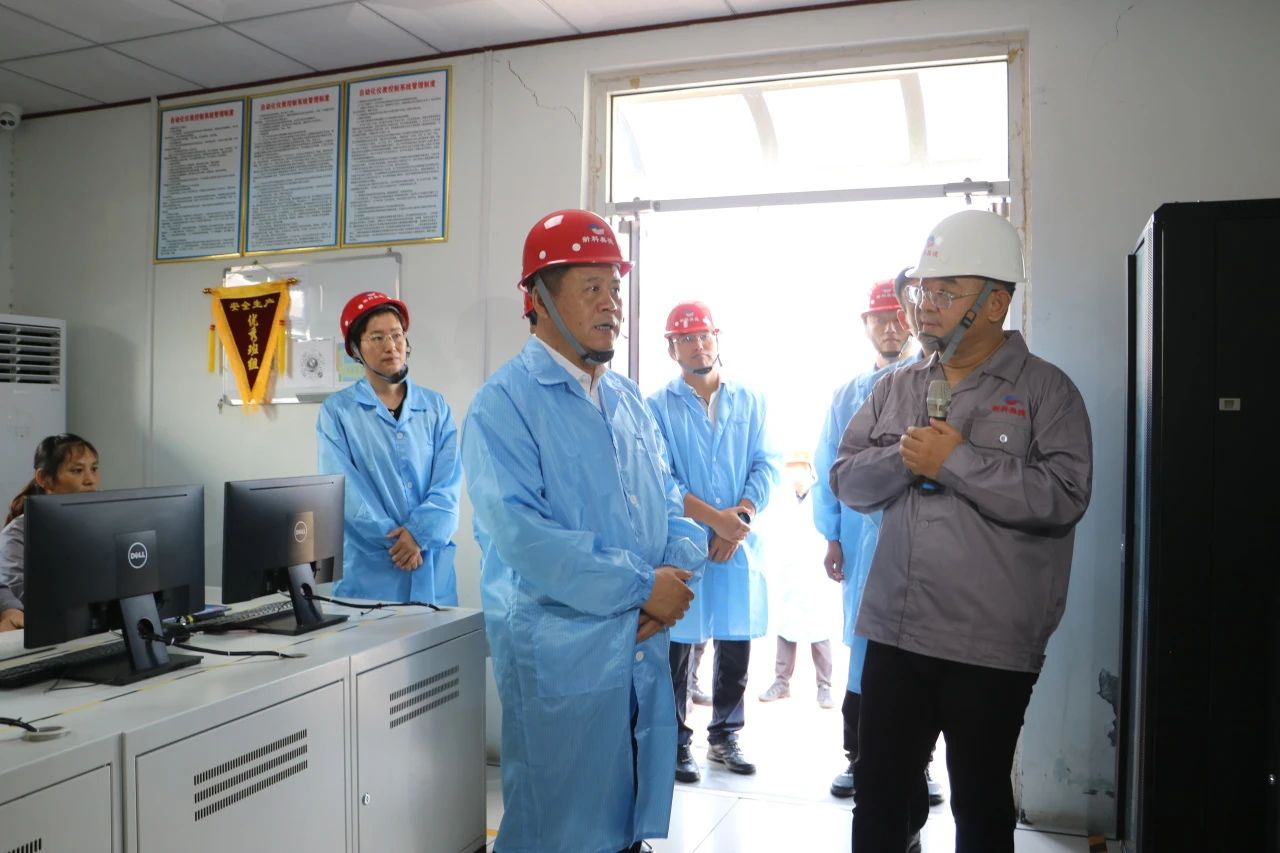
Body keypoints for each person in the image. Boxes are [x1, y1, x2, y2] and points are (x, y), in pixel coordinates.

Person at [831, 210, 1093, 853]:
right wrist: (906, 458)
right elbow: (846, 480)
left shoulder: (1047, 392)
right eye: (923, 289)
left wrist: (957, 462)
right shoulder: (896, 387)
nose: (925, 305)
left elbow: (1064, 496)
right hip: (896, 633)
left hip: (990, 647)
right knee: (881, 800)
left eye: (946, 292)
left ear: (996, 302)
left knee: (979, 803)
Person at [462, 209, 706, 853]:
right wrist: (642, 588)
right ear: (538, 299)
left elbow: (666, 500)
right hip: (562, 655)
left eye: (615, 288)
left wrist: (677, 573)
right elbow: (524, 537)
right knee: (559, 825)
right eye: (591, 288)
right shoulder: (503, 404)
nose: (611, 304)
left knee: (624, 814)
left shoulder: (627, 399)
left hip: (638, 641)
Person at [647, 300, 779, 783]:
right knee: (678, 645)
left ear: (717, 339)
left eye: (703, 335)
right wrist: (714, 522)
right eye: (686, 338)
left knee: (734, 638)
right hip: (686, 542)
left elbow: (767, 463)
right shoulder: (656, 407)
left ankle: (725, 735)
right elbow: (661, 478)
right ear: (672, 349)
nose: (697, 345)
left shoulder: (751, 400)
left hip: (736, 543)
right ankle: (676, 741)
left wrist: (739, 518)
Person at [316, 291, 461, 604]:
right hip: (371, 572)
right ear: (356, 349)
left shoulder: (435, 407)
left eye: (397, 335)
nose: (391, 346)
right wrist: (401, 545)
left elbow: (448, 483)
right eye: (377, 337)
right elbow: (344, 490)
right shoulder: (338, 412)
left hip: (430, 565)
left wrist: (420, 534)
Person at [756, 450, 836, 709]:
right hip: (788, 571)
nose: (795, 474)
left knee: (819, 628)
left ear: (810, 470)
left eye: (800, 467)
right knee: (786, 626)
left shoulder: (822, 497)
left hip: (815, 571)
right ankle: (781, 683)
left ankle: (824, 686)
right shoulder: (780, 498)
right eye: (791, 468)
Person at [1, 433, 101, 631]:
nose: (90, 480)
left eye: (94, 469)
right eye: (77, 470)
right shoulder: (18, 534)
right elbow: (20, 597)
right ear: (44, 479)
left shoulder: (97, 527)